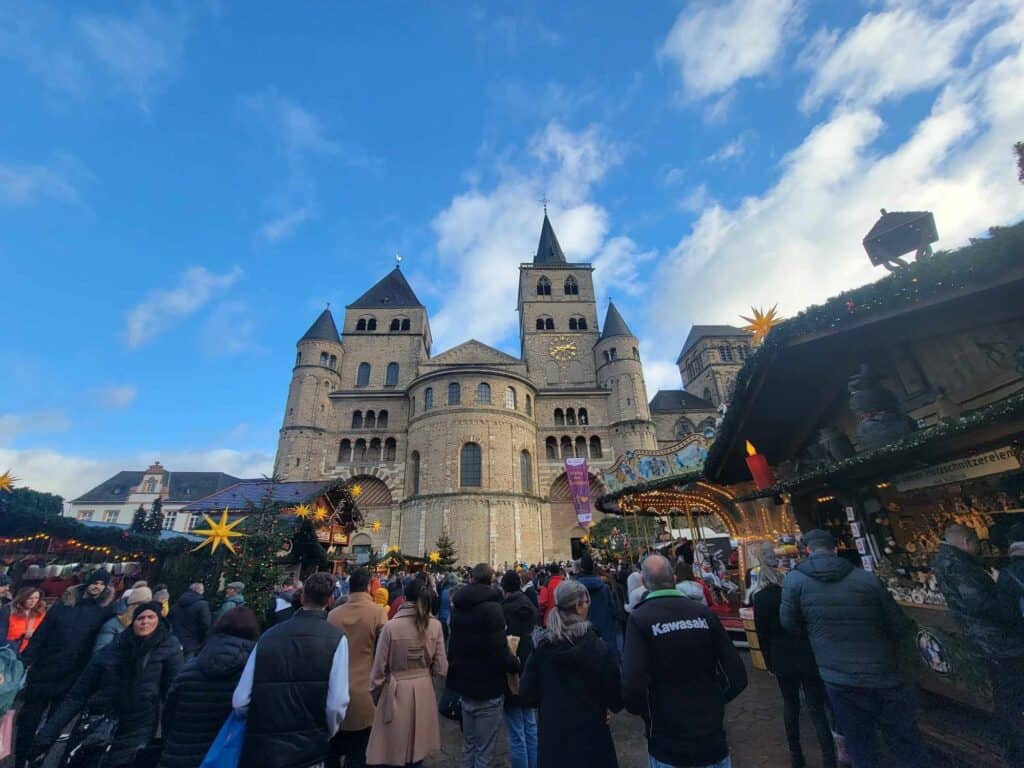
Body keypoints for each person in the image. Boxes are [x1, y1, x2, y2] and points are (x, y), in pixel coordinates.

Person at [782, 529, 925, 768]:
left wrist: (818, 634)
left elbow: (789, 623)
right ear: (836, 548)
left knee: (860, 743)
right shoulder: (866, 579)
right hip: (883, 671)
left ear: (806, 550)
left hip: (838, 675)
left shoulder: (794, 581)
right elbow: (898, 623)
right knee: (904, 741)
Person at [623, 554, 747, 768]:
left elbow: (632, 684)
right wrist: (715, 701)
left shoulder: (640, 619)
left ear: (643, 583)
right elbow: (737, 676)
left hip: (668, 741)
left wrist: (649, 714)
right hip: (711, 738)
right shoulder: (704, 613)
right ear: (673, 579)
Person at [35, 601, 184, 767]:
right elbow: (78, 695)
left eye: (151, 617)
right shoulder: (113, 649)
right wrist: (48, 735)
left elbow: (173, 694)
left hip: (138, 725)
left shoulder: (169, 648)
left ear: (159, 620)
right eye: (140, 618)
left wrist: (172, 737)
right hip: (99, 721)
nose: (145, 622)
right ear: (132, 622)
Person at [233, 572, 349, 768]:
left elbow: (240, 700)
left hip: (263, 748)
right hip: (308, 749)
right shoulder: (336, 639)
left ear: (302, 597)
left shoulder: (268, 636)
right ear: (330, 600)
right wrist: (326, 732)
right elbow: (336, 704)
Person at [934, 523, 1024, 767]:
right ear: (966, 542)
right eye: (976, 542)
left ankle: (1013, 748)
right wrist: (1008, 605)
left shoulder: (946, 562)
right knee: (1012, 699)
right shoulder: (959, 566)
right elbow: (982, 604)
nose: (978, 548)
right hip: (998, 641)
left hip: (985, 641)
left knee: (1007, 700)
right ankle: (1017, 750)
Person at [17, 568, 119, 764]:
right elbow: (41, 635)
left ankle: (38, 759)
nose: (97, 586)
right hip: (45, 670)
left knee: (53, 725)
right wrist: (25, 661)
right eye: (94, 582)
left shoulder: (105, 611)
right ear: (87, 582)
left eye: (101, 584)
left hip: (72, 676)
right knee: (28, 722)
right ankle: (21, 759)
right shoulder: (63, 605)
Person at [520, 580, 622, 768]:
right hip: (592, 742)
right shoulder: (598, 648)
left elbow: (527, 694)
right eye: (586, 602)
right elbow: (617, 698)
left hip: (554, 742)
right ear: (578, 606)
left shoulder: (542, 649)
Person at [753, 558, 836, 768]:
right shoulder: (793, 593)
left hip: (781, 657)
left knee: (790, 705)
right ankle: (829, 756)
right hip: (805, 654)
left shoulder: (760, 599)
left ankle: (796, 754)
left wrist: (769, 662)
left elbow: (762, 634)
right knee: (816, 708)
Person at [158, 607, 260, 768]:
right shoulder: (253, 672)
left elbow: (169, 713)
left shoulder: (189, 668)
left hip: (178, 754)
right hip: (225, 754)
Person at [366, 578, 449, 768]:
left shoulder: (390, 627)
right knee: (416, 753)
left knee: (391, 751)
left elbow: (378, 671)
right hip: (423, 691)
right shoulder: (434, 626)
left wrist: (378, 696)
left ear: (404, 598)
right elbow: (441, 668)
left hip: (395, 690)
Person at [447, 563, 521, 768]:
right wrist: (515, 665)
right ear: (491, 581)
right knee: (484, 750)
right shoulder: (493, 609)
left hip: (465, 686)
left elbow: (452, 649)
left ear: (471, 579)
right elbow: (499, 652)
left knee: (468, 745)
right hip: (488, 687)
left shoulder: (458, 607)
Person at [327, 567, 386, 768]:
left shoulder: (333, 615)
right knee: (360, 752)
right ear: (369, 586)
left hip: (333, 690)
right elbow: (383, 655)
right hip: (364, 692)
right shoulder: (378, 613)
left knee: (332, 751)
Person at [501, 569, 539, 768]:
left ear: (504, 588)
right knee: (530, 725)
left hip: (512, 670)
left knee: (516, 731)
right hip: (530, 667)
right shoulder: (530, 606)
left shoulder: (503, 610)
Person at [575, 553, 621, 665]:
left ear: (581, 568)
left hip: (584, 634)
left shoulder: (575, 589)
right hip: (606, 631)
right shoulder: (604, 587)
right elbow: (613, 609)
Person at [94, 585, 153, 654]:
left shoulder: (146, 627)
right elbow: (99, 652)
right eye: (141, 605)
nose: (145, 609)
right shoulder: (113, 625)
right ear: (133, 605)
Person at [168, 582, 212, 660]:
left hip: (174, 641)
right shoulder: (203, 605)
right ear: (200, 591)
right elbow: (206, 625)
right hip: (192, 644)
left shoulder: (177, 604)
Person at [5, 586, 45, 654]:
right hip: (10, 649)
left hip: (30, 651)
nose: (33, 601)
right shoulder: (9, 612)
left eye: (36, 598)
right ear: (22, 598)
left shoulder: (40, 613)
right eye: (30, 598)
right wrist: (23, 635)